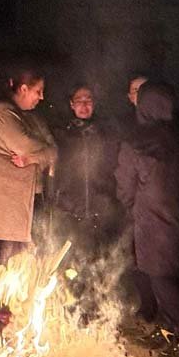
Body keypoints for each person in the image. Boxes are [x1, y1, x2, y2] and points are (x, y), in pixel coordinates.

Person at [115, 82, 179, 357]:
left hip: (152, 220)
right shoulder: (178, 138)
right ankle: (169, 330)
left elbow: (125, 186)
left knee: (160, 278)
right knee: (168, 275)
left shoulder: (136, 142)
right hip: (178, 217)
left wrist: (132, 207)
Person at [0, 69, 58, 271]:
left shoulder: (33, 118)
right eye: (38, 91)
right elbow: (26, 145)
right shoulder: (2, 112)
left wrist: (33, 158)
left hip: (28, 201)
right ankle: (1, 303)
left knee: (27, 265)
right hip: (4, 206)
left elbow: (53, 151)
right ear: (23, 88)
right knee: (4, 268)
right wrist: (39, 154)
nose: (42, 97)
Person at [50, 84, 122, 255]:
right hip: (70, 210)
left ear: (94, 104)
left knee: (99, 262)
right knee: (69, 262)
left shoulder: (106, 133)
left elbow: (115, 169)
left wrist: (108, 200)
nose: (84, 105)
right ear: (71, 104)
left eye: (88, 100)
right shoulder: (61, 135)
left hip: (101, 210)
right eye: (79, 100)